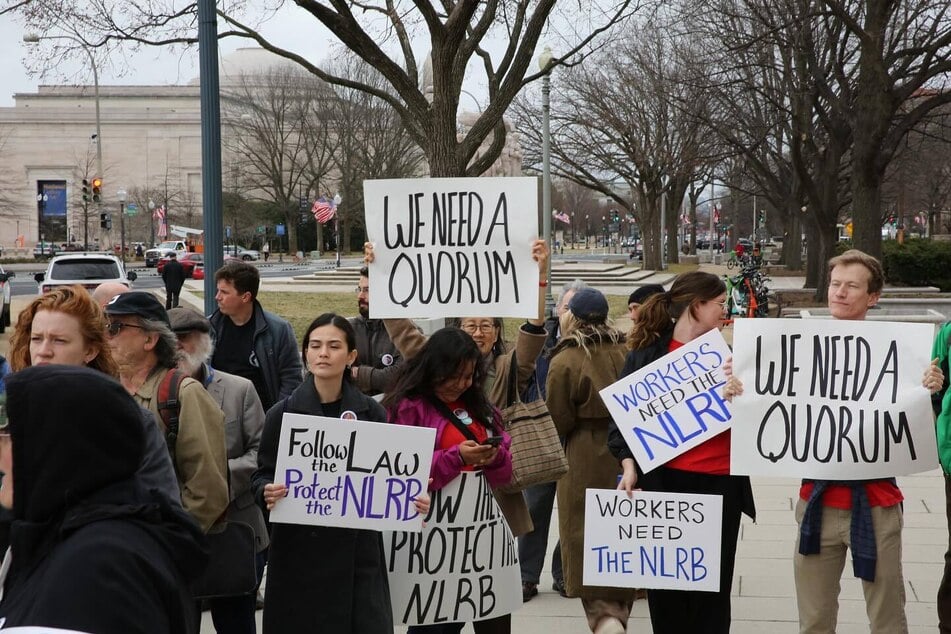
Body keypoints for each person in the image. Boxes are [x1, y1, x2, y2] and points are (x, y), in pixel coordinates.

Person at [724, 249, 944, 634]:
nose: (839, 293)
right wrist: (737, 384)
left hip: (876, 507)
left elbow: (917, 424)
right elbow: (764, 405)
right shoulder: (793, 348)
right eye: (835, 284)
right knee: (814, 622)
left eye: (851, 286)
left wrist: (933, 390)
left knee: (888, 621)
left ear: (872, 297)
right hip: (816, 504)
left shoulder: (900, 353)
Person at [252, 313, 428, 633]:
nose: (323, 353)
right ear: (305, 352)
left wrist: (411, 498)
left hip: (357, 558)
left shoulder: (371, 412)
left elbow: (387, 478)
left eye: (334, 346)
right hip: (299, 557)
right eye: (315, 345)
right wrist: (267, 490)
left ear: (350, 356)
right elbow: (261, 475)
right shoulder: (283, 413)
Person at [0, 365, 207, 633]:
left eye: (9, 436)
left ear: (57, 448)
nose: (1, 453)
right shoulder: (61, 541)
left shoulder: (99, 566)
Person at [371, 239, 551, 546]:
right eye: (470, 325)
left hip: (484, 517)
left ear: (497, 333)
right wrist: (380, 269)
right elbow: (401, 329)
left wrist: (541, 278)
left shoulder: (508, 369)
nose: (478, 332)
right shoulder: (419, 391)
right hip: (430, 525)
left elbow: (533, 334)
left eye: (486, 325)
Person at [607, 271, 755, 634]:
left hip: (721, 488)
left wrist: (745, 395)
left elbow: (762, 423)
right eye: (720, 304)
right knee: (667, 591)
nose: (726, 311)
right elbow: (620, 424)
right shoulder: (646, 356)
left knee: (712, 593)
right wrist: (628, 465)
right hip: (666, 485)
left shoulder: (733, 359)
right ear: (696, 306)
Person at [383, 327, 515, 634]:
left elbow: (505, 475)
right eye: (453, 376)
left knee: (494, 621)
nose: (461, 384)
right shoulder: (407, 407)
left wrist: (493, 457)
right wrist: (457, 458)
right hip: (433, 544)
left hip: (482, 539)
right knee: (435, 625)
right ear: (433, 369)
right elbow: (402, 471)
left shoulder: (481, 407)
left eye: (468, 376)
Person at [8, 285, 180, 504]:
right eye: (36, 339)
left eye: (59, 340)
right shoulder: (9, 418)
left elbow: (163, 511)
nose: (43, 351)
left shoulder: (128, 423)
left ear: (90, 351)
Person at [169, 306, 269, 634]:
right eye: (171, 340)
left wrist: (212, 477)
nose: (178, 347)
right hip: (177, 531)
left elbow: (262, 455)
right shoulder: (154, 391)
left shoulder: (240, 390)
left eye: (186, 339)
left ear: (205, 342)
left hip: (234, 530)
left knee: (237, 623)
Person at [105, 291, 230, 533]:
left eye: (116, 327)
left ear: (150, 340)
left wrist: (164, 545)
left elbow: (207, 492)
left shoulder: (185, 393)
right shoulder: (103, 390)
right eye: (106, 325)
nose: (106, 335)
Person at [545, 288, 633, 634]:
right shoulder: (626, 349)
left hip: (582, 451)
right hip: (625, 451)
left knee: (583, 535)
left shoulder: (566, 358)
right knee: (622, 533)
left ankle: (602, 616)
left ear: (572, 317)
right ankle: (619, 608)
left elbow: (558, 418)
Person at [519, 279, 588, 601]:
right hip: (542, 435)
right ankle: (526, 576)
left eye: (577, 310)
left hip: (577, 437)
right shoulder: (542, 340)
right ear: (558, 309)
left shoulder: (592, 344)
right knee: (535, 506)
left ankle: (564, 574)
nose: (571, 316)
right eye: (567, 308)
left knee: (573, 509)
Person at [210, 261, 303, 412]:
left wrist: (277, 417)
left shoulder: (278, 330)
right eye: (218, 290)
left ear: (245, 297)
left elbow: (291, 378)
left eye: (224, 292)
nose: (217, 297)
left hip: (263, 417)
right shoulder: (208, 328)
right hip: (218, 415)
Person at [349, 266, 405, 396]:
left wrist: (360, 373)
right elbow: (337, 372)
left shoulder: (405, 333)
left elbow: (402, 377)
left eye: (367, 290)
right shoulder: (347, 330)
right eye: (359, 289)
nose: (360, 296)